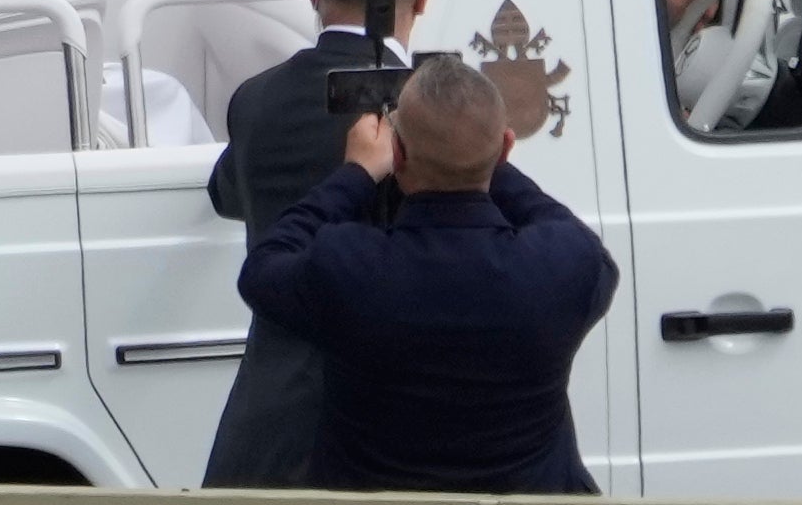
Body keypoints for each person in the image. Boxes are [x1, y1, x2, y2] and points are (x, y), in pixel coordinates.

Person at [237, 54, 619, 495]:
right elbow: (573, 236)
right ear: (508, 147)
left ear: (396, 154)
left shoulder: (350, 267)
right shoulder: (563, 265)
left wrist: (356, 173)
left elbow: (263, 267)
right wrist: (483, 153)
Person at [202, 0, 429, 487]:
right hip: (391, 440)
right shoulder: (434, 109)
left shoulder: (255, 100)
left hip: (266, 433)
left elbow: (227, 192)